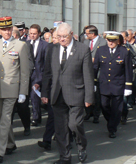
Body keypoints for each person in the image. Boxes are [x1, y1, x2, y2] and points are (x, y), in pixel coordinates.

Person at [0, 16, 32, 163]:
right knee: (4, 117)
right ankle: (11, 143)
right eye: (4, 29)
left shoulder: (20, 45)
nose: (7, 32)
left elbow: (24, 71)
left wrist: (23, 91)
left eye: (9, 29)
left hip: (12, 88)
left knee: (5, 119)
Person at [42, 22, 94, 164]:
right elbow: (47, 73)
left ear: (71, 35)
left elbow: (88, 75)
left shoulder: (82, 50)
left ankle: (81, 147)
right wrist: (44, 93)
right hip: (57, 95)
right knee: (60, 129)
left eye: (64, 36)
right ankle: (65, 157)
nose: (62, 39)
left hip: (76, 93)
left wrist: (89, 96)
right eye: (59, 36)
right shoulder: (52, 49)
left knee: (74, 124)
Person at [93, 32, 133, 138]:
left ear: (117, 41)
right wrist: (93, 82)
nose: (111, 42)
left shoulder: (125, 52)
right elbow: (95, 67)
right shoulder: (100, 50)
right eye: (109, 40)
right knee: (104, 105)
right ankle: (112, 120)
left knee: (116, 108)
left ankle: (112, 129)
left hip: (118, 85)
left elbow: (128, 70)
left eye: (113, 40)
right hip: (104, 84)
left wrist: (128, 86)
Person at [10, 26, 32, 136]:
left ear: (14, 35)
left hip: (21, 82)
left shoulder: (25, 45)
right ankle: (7, 132)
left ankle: (26, 126)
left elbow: (29, 63)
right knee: (9, 109)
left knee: (22, 107)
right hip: (9, 83)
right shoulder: (6, 45)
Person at [84, 25, 106, 124]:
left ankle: (96, 115)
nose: (86, 35)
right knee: (88, 93)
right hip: (87, 72)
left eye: (87, 33)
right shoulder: (85, 42)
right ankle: (88, 112)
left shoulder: (103, 42)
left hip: (99, 72)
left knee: (97, 95)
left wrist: (95, 60)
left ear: (93, 34)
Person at [28, 24, 48, 126]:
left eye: (34, 34)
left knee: (35, 97)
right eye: (30, 33)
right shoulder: (26, 44)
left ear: (39, 34)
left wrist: (40, 79)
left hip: (39, 74)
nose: (32, 35)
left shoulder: (44, 45)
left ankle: (36, 118)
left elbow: (45, 63)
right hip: (28, 74)